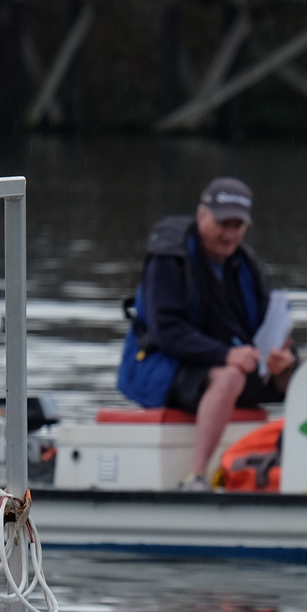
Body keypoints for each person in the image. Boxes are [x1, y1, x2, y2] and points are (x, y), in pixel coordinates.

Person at [119, 177, 296, 491]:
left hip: (211, 361)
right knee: (230, 377)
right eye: (222, 223)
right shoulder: (169, 258)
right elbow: (167, 332)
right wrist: (228, 355)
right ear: (201, 216)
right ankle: (195, 476)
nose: (229, 234)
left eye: (237, 226)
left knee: (299, 375)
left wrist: (283, 358)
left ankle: (291, 470)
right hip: (159, 364)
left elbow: (265, 324)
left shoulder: (246, 264)